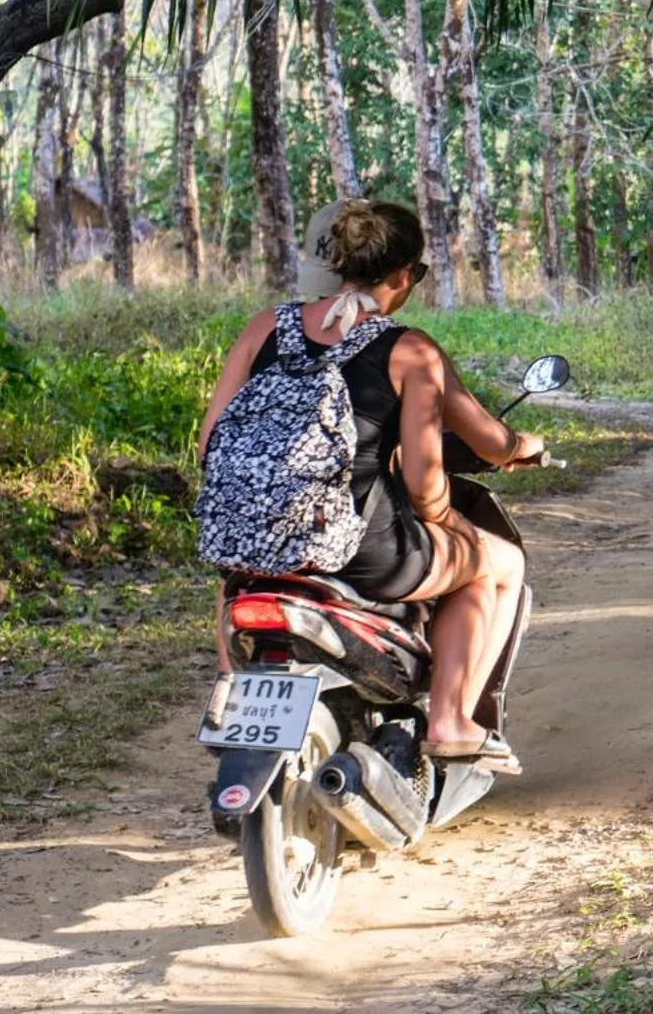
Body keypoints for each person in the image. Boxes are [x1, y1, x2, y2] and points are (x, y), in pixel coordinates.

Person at [198, 201, 542, 773]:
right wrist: (466, 504)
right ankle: (452, 720)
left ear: (337, 264)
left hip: (243, 541)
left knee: (240, 573)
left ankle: (235, 701)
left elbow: (211, 443)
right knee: (497, 564)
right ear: (403, 276)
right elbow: (430, 480)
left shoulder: (265, 327)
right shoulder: (411, 351)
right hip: (360, 552)